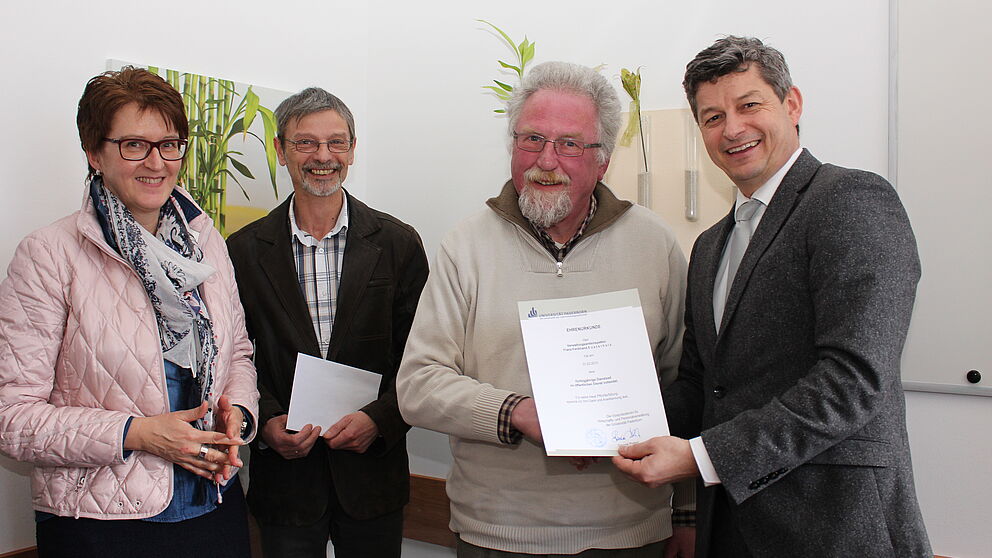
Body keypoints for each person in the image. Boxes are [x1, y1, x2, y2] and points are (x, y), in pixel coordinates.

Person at [612, 36, 932, 557]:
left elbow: (852, 380)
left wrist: (702, 458)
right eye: (713, 117)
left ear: (792, 104)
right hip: (730, 530)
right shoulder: (710, 246)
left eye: (749, 105)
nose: (732, 129)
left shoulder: (850, 200)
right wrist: (606, 427)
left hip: (834, 527)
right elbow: (701, 386)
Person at [397, 61, 694, 557]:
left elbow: (685, 386)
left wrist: (686, 511)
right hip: (497, 533)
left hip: (632, 531)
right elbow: (418, 385)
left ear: (603, 160)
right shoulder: (466, 246)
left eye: (570, 144)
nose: (547, 160)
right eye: (532, 139)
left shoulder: (654, 244)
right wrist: (519, 413)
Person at [0, 67, 258, 557]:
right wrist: (137, 433)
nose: (156, 162)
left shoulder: (206, 244)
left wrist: (239, 413)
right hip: (100, 526)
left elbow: (238, 354)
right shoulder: (49, 254)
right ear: (94, 153)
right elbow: (11, 417)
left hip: (214, 508)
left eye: (169, 144)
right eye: (134, 145)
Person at [226, 87, 428, 558]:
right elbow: (234, 353)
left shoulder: (397, 243)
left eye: (336, 142)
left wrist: (379, 420)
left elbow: (423, 356)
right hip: (286, 483)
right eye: (306, 143)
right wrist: (265, 421)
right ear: (281, 150)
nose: (323, 156)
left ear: (352, 150)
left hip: (373, 479)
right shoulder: (242, 251)